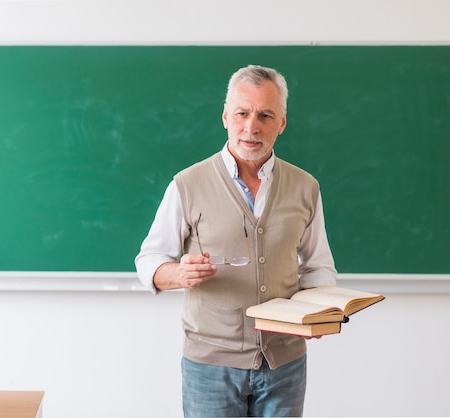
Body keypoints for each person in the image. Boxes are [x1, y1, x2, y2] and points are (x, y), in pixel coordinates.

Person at [135, 65, 337, 417]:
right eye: (242, 113)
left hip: (284, 365)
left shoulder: (306, 187)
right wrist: (178, 274)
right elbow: (149, 259)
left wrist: (317, 315)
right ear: (226, 116)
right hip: (210, 366)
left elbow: (318, 266)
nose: (251, 127)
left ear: (282, 123)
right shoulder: (187, 184)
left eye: (265, 115)